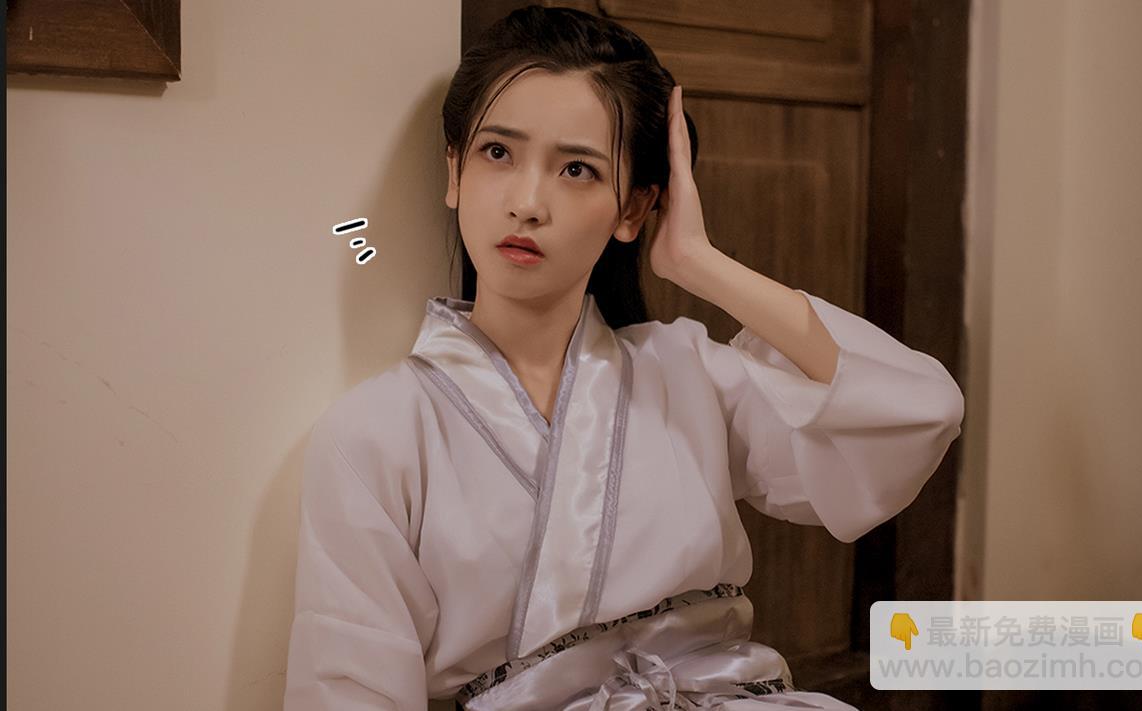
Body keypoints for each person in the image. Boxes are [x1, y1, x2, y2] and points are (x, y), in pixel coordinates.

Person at [283, 6, 964, 710]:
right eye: (498, 153)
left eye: (577, 168)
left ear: (633, 209)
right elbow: (350, 691)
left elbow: (920, 412)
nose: (527, 202)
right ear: (454, 170)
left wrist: (699, 263)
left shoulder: (685, 372)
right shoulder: (375, 434)